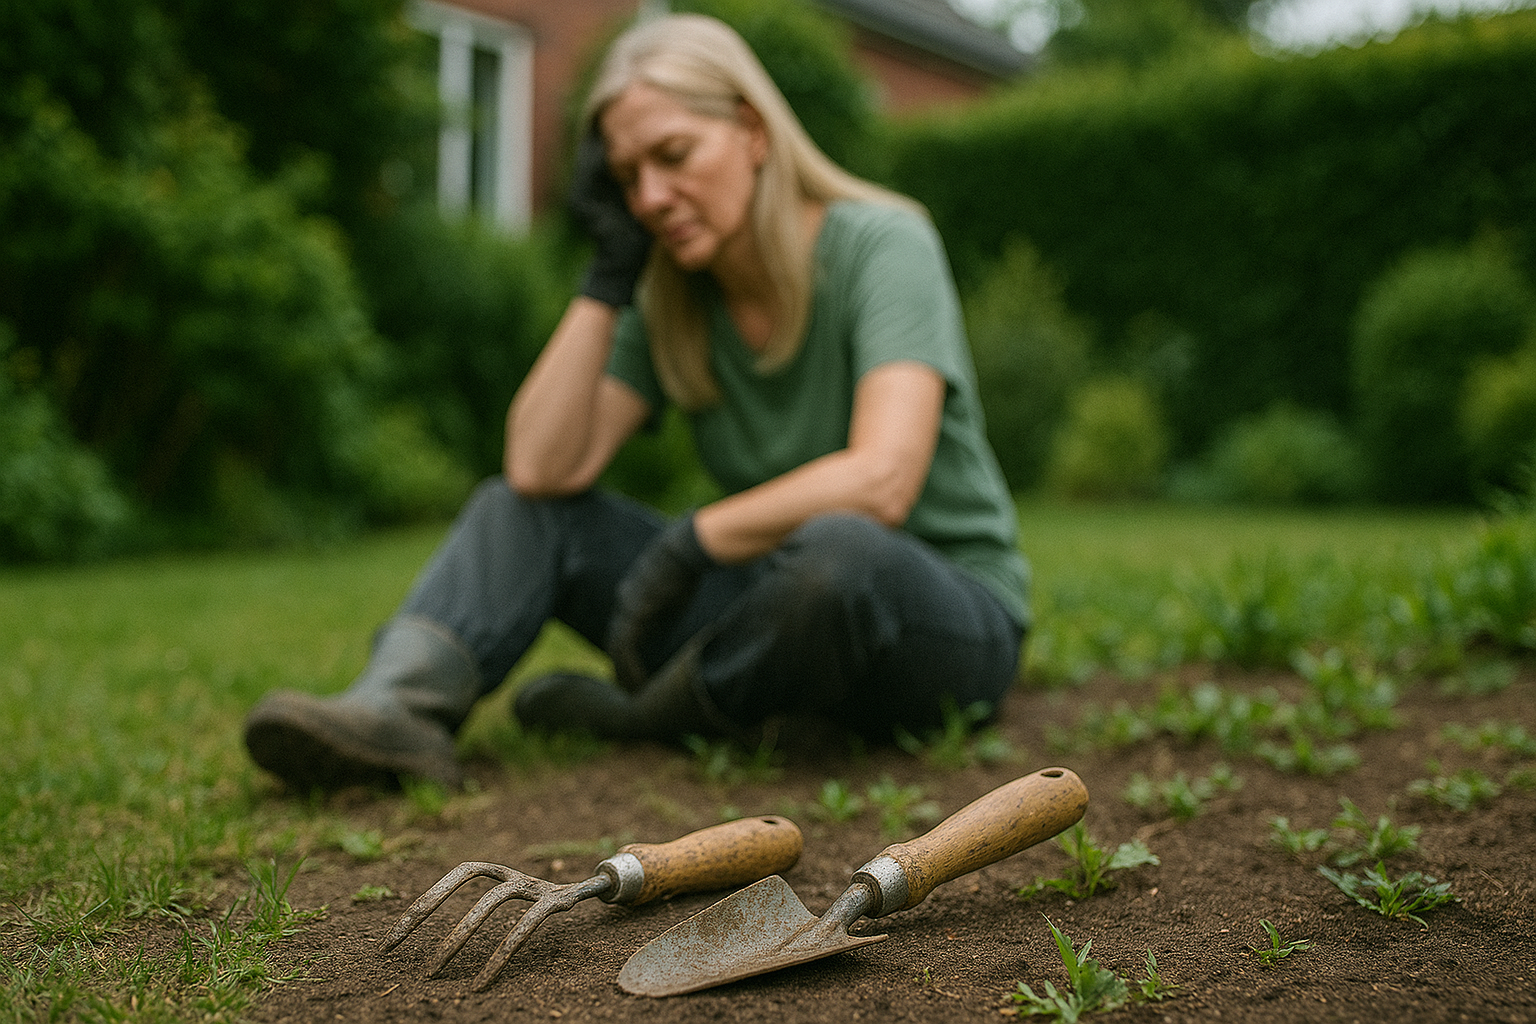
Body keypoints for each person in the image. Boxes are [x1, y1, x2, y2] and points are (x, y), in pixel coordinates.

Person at [242, 13, 1029, 793]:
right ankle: (397, 708)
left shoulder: (883, 245)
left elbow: (883, 480)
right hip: (772, 606)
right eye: (626, 178)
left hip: (942, 619)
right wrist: (610, 275)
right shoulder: (673, 299)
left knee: (839, 553)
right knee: (526, 513)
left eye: (673, 155)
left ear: (753, 132)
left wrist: (694, 540)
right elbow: (539, 467)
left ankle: (653, 716)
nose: (650, 196)